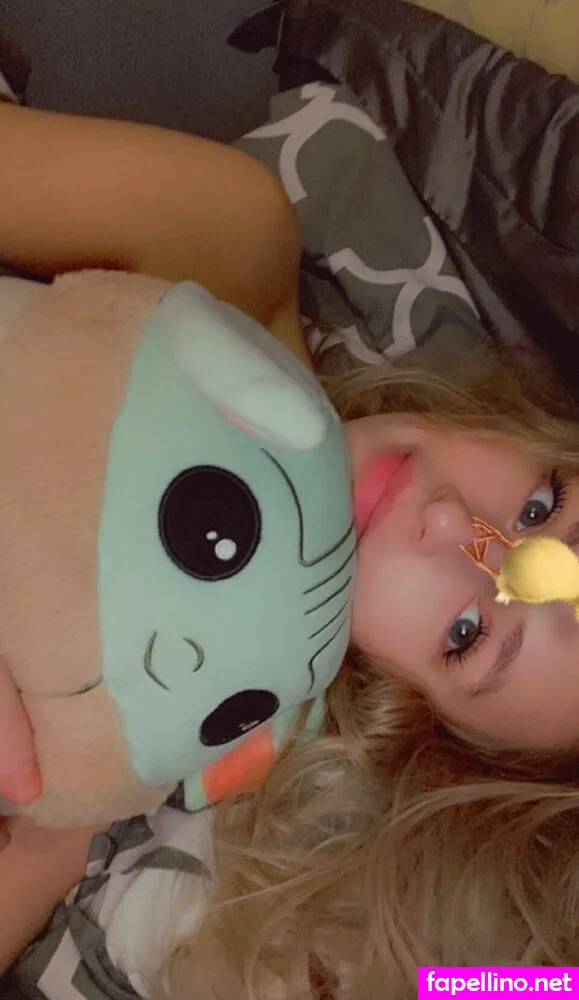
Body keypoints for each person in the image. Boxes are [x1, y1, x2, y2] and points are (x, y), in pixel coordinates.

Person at [1, 99, 579, 999]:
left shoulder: (105, 781)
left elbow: (516, 984)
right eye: (542, 504)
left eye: (467, 633)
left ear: (408, 722)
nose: (445, 524)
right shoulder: (229, 234)